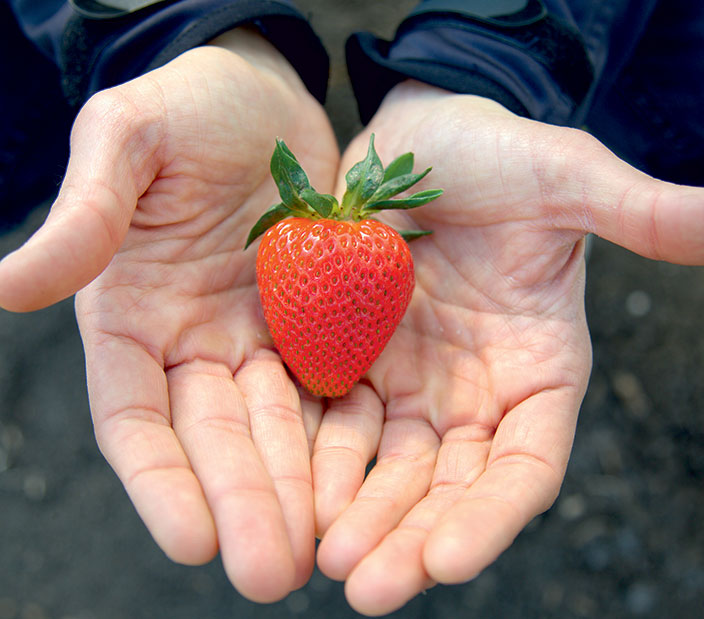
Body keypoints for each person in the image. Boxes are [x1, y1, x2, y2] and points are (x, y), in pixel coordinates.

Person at [1, 0, 703, 615]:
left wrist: (492, 61)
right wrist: (170, 34)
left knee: (659, 109)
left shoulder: (332, 252)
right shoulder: (346, 253)